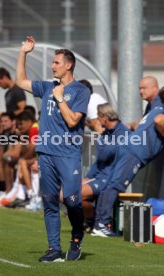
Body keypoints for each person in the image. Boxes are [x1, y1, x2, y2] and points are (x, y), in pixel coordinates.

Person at [15, 36, 90, 262]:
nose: (52, 66)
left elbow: (72, 122)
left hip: (68, 154)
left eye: (57, 62)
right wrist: (24, 53)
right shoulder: (48, 86)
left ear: (68, 65)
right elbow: (20, 81)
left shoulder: (80, 91)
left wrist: (60, 99)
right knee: (49, 200)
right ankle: (54, 249)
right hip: (46, 153)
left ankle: (77, 236)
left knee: (72, 200)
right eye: (53, 62)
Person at [93, 89, 164, 237]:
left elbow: (141, 123)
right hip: (135, 152)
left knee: (110, 185)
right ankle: (101, 224)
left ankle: (99, 223)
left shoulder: (157, 107)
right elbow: (158, 121)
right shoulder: (160, 111)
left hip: (128, 148)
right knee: (116, 185)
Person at [81, 103, 130, 231]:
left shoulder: (122, 133)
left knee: (74, 194)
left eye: (98, 116)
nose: (97, 119)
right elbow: (99, 161)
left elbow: (104, 154)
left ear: (104, 117)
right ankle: (91, 220)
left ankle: (93, 221)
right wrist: (88, 177)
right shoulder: (107, 133)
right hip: (100, 175)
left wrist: (99, 134)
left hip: (110, 177)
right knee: (66, 194)